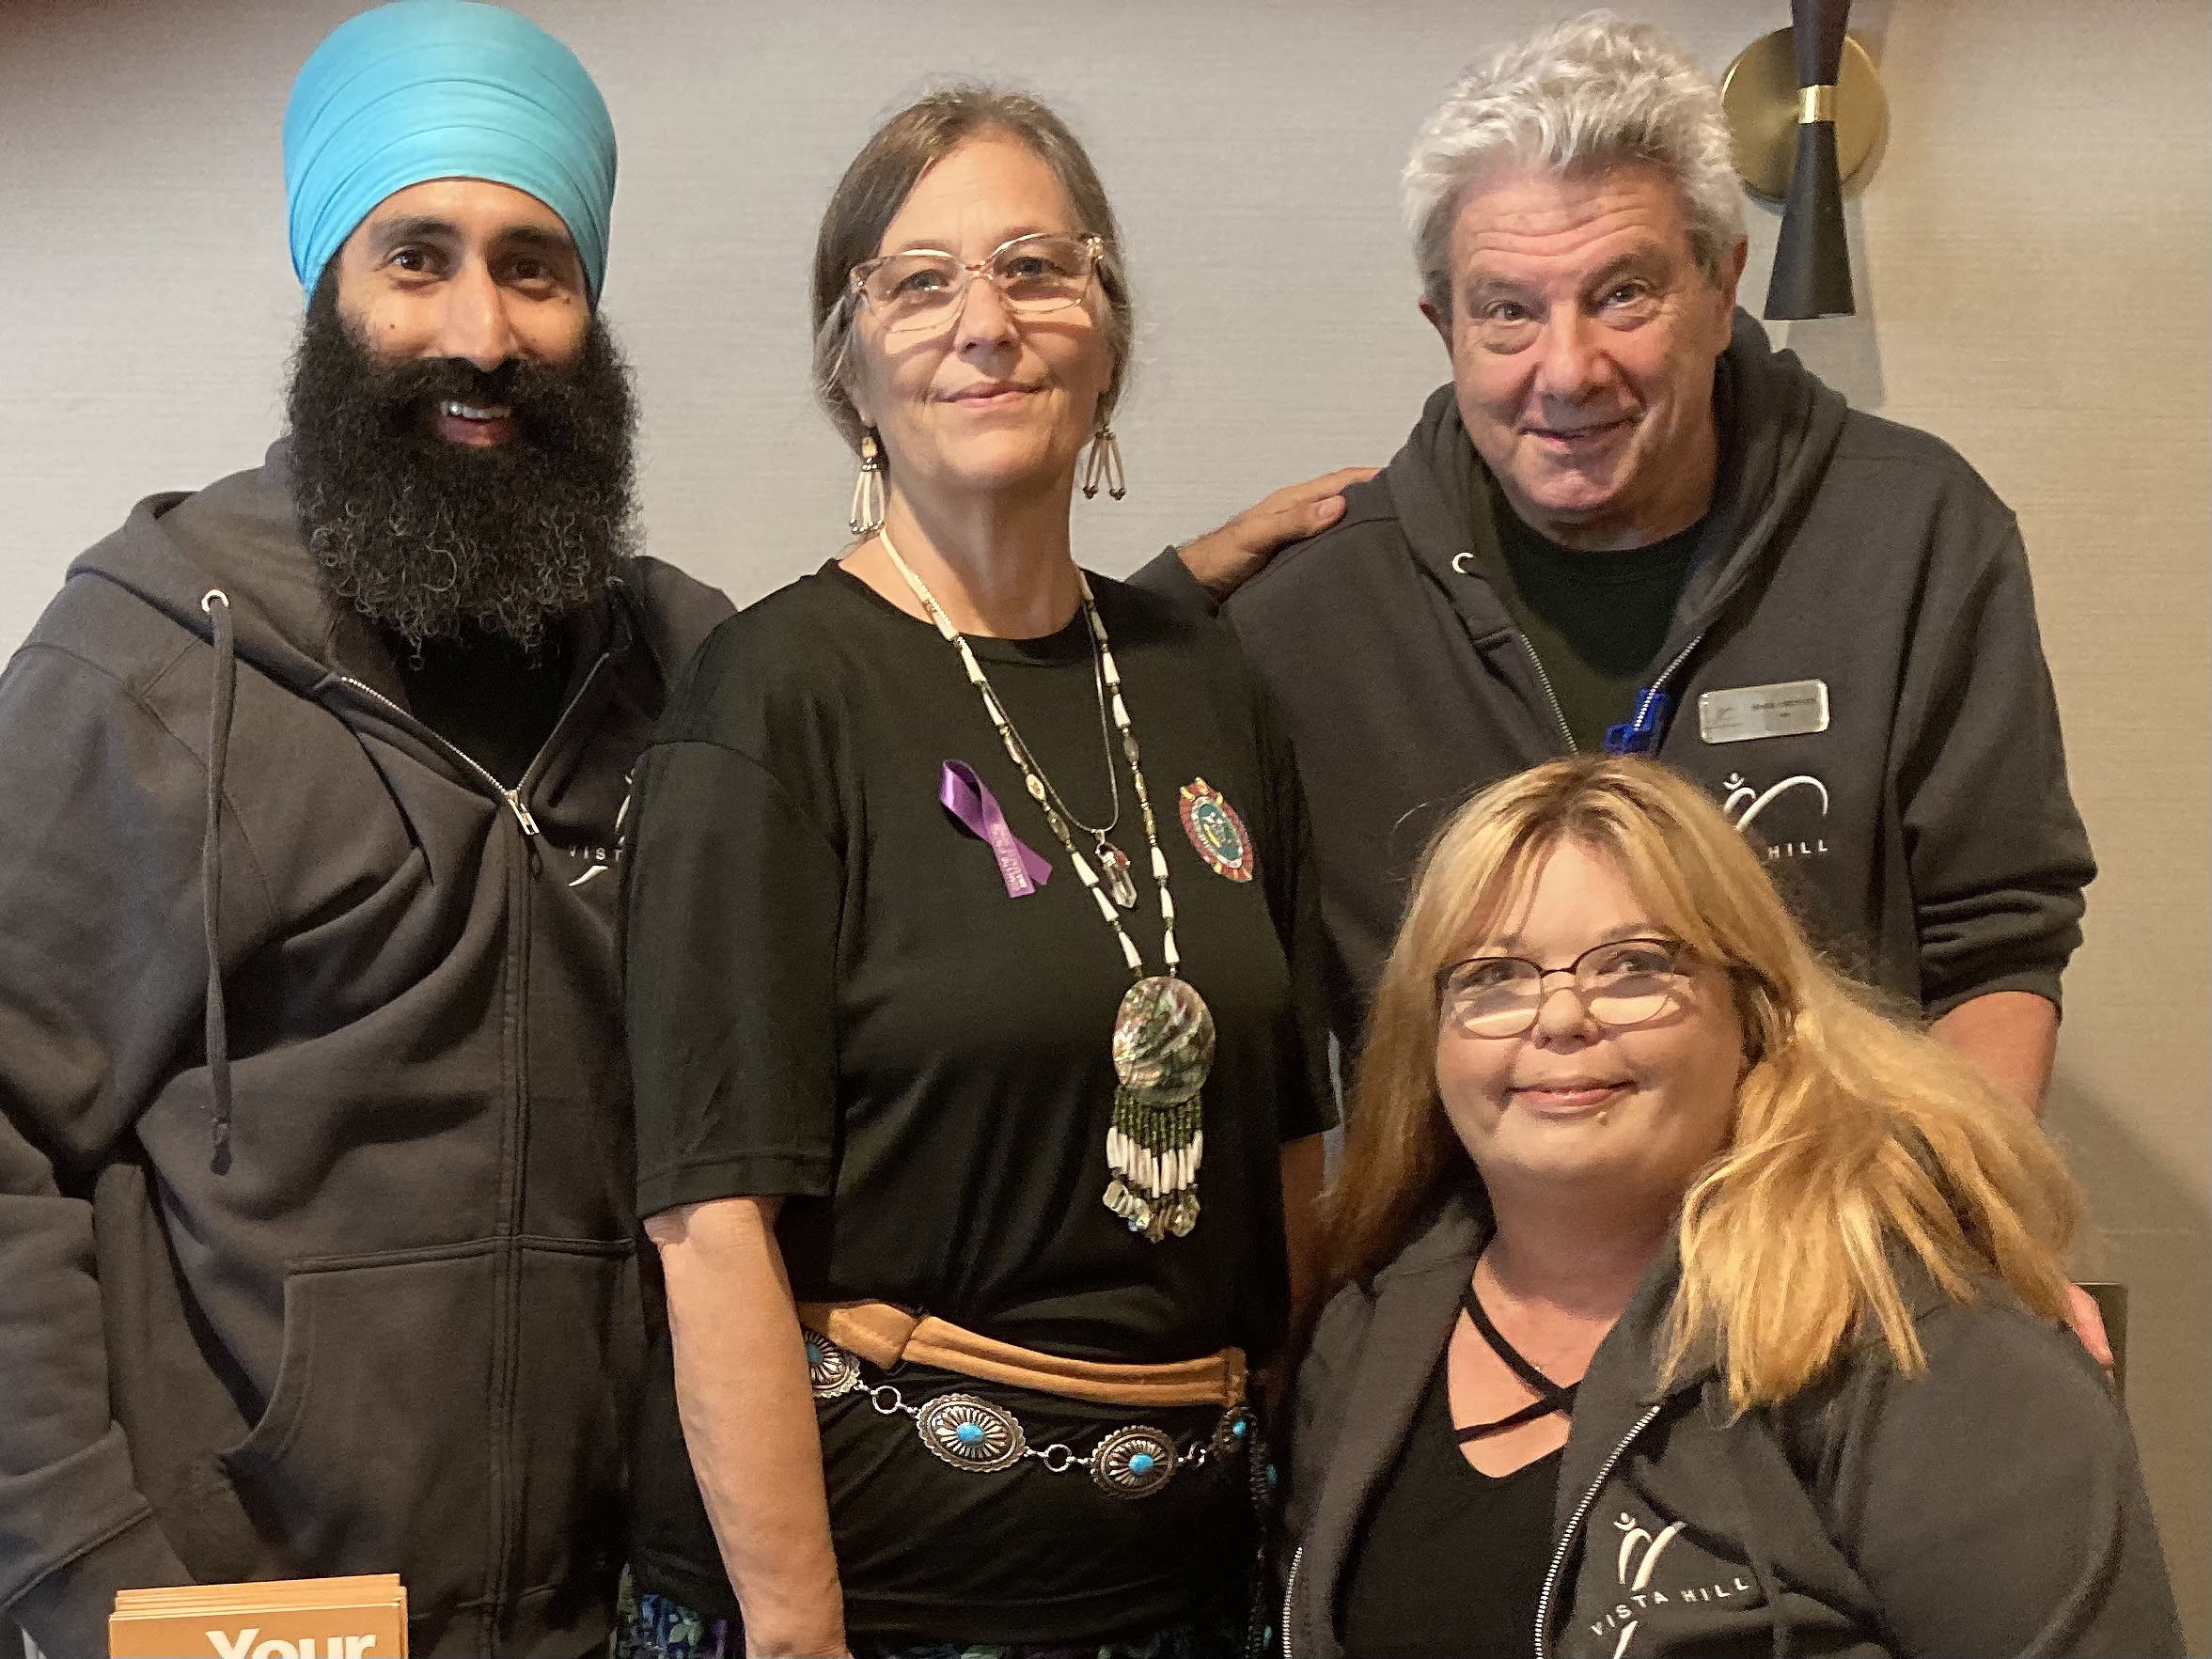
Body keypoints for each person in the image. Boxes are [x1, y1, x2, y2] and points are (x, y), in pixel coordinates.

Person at [0, 6, 737, 1654]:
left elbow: (926, 759)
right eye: (417, 259)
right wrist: (83, 1579)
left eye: (534, 267)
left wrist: (1146, 620)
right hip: (232, 1619)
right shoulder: (145, 661)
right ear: (329, 292)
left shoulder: (694, 673)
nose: (481, 330)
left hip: (605, 1618)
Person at [621, 86, 1333, 1659]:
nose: (985, 322)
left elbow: (1290, 1131)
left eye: (1035, 267)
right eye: (919, 281)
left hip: (1188, 1585)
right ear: (848, 363)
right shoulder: (772, 697)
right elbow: (708, 1216)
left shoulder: (1204, 680)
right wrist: (796, 1636)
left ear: (1107, 330)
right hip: (879, 1600)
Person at [1133, 13, 2094, 1118]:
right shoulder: (1309, 621)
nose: (1567, 370)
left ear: (1719, 281)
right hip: (1457, 1268)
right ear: (1441, 322)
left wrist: (1963, 1232)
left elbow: (1994, 946)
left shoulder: (1916, 538)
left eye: (1622, 293)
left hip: (1827, 1248)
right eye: (1507, 311)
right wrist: (1162, 607)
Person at [1281, 755, 2181, 1658]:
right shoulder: (1360, 1332)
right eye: (1493, 976)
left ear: (1753, 1014)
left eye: (1633, 966)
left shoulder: (1926, 1341)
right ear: (1426, 1037)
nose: (1559, 1018)